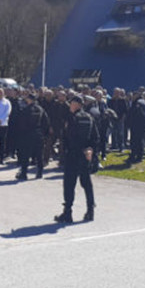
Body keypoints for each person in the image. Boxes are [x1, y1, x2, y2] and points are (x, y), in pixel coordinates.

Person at [54, 95, 99, 224]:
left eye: (72, 103)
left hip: (73, 155)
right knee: (87, 184)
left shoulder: (73, 119)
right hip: (85, 155)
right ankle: (90, 211)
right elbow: (95, 137)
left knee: (69, 184)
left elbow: (71, 137)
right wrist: (90, 149)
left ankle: (67, 213)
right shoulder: (90, 118)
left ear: (78, 105)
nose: (70, 106)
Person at [16, 92, 50, 180]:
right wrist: (44, 133)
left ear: (29, 99)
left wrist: (21, 135)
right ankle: (39, 173)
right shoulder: (40, 109)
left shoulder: (26, 110)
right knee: (39, 155)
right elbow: (46, 122)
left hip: (28, 134)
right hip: (38, 134)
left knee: (25, 155)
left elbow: (21, 124)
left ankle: (24, 173)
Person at [127, 92, 145, 164]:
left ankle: (138, 156)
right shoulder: (142, 103)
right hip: (138, 125)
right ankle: (135, 155)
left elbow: (139, 114)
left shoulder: (138, 103)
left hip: (137, 125)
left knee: (137, 141)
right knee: (136, 141)